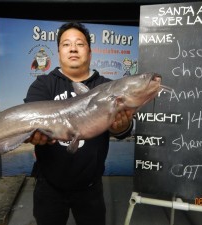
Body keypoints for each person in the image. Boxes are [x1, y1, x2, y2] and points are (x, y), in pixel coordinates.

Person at [24, 22, 134, 225]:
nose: (73, 48)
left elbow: (123, 131)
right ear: (59, 52)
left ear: (90, 52)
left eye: (80, 44)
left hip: (90, 188)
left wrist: (122, 127)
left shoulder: (106, 87)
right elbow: (30, 124)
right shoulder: (43, 84)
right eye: (66, 44)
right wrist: (33, 135)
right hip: (49, 186)